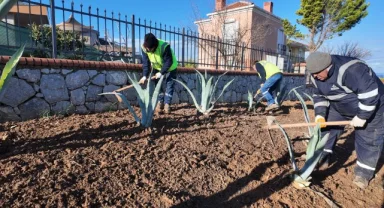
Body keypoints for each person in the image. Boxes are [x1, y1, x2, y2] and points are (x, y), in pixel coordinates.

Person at [306, 51, 384, 189]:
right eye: (312, 74)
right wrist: (320, 114)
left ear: (327, 67)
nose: (315, 77)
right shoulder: (314, 75)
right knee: (326, 130)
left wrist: (361, 117)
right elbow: (319, 95)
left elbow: (370, 95)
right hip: (339, 106)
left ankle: (363, 173)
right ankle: (323, 158)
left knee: (368, 138)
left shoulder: (352, 70)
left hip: (372, 106)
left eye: (317, 74)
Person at [138, 33, 178, 114]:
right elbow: (146, 63)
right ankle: (160, 103)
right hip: (157, 67)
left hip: (171, 67)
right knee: (158, 86)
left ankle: (167, 104)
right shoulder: (144, 48)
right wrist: (145, 76)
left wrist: (161, 72)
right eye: (147, 49)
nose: (148, 50)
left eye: (150, 49)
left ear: (155, 46)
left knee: (169, 85)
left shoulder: (164, 46)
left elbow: (168, 61)